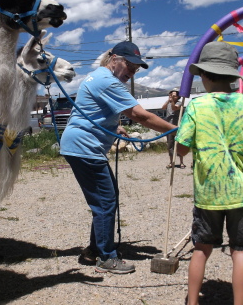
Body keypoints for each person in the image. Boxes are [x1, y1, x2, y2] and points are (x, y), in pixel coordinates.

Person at [60, 41, 177, 274]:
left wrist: (114, 128)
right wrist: (176, 131)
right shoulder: (107, 81)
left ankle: (95, 250)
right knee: (105, 200)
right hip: (85, 148)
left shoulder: (97, 77)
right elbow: (138, 115)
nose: (131, 73)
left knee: (106, 198)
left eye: (135, 70)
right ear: (113, 58)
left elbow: (91, 110)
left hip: (80, 145)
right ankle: (105, 257)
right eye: (130, 67)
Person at [175, 42, 243, 305]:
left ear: (203, 75)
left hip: (209, 193)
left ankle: (192, 302)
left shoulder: (196, 106)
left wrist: (182, 152)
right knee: (241, 250)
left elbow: (181, 149)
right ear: (233, 76)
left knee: (201, 249)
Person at [162, 88, 185, 169]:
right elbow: (163, 108)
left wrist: (172, 102)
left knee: (179, 144)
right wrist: (168, 100)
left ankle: (181, 162)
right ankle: (171, 162)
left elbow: (174, 108)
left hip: (177, 126)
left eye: (174, 95)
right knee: (170, 145)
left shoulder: (180, 103)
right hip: (169, 127)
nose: (172, 96)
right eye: (171, 94)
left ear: (178, 96)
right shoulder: (169, 102)